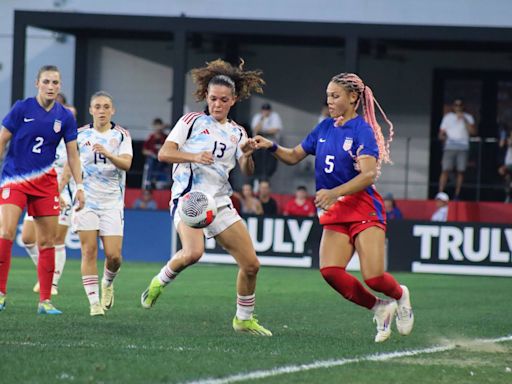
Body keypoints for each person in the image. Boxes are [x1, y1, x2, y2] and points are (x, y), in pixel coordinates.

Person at [253, 72, 414, 342]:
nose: (329, 100)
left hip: (363, 208)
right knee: (330, 272)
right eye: (328, 95)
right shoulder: (324, 128)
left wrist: (334, 193)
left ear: (353, 98)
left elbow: (368, 175)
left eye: (335, 95)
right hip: (335, 211)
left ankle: (400, 295)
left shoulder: (363, 130)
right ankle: (380, 308)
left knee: (373, 277)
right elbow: (293, 156)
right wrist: (270, 146)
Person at [140, 58, 272, 336]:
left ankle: (243, 319)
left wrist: (247, 154)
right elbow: (165, 153)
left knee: (251, 265)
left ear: (233, 100)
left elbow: (246, 172)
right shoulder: (191, 122)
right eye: (213, 99)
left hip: (220, 202)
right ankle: (158, 282)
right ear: (206, 97)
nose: (217, 104)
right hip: (190, 199)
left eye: (224, 100)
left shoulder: (238, 132)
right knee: (193, 253)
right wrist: (193, 155)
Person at [0, 65, 85, 314]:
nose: (51, 86)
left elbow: (73, 154)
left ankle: (45, 301)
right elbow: (2, 139)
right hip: (14, 179)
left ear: (60, 86)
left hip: (46, 183)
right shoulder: (21, 108)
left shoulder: (65, 116)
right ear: (37, 83)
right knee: (6, 232)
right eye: (46, 81)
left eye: (55, 82)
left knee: (47, 242)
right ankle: (1, 293)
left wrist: (79, 186)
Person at [74, 91, 133, 316]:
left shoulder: (121, 135)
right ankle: (94, 304)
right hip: (86, 200)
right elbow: (71, 164)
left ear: (112, 110)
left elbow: (126, 164)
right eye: (97, 106)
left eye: (106, 106)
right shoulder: (79, 135)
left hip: (112, 202)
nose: (101, 110)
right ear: (91, 110)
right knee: (88, 251)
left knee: (114, 255)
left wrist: (108, 153)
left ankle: (107, 283)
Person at [21, 138, 77, 295]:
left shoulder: (71, 141)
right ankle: (46, 272)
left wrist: (57, 192)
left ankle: (52, 283)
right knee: (27, 238)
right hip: (39, 191)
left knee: (56, 239)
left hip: (63, 192)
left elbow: (69, 170)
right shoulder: (41, 138)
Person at [438, 98, 477, 200]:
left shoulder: (468, 117)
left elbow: (473, 132)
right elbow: (441, 132)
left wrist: (464, 120)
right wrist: (442, 137)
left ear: (463, 106)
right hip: (450, 145)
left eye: (460, 105)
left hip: (463, 146)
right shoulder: (448, 117)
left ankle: (457, 194)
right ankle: (440, 192)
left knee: (461, 170)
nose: (458, 107)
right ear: (453, 106)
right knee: (445, 169)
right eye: (456, 105)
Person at [250, 103, 283, 183]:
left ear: (270, 110)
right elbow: (255, 130)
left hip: (271, 146)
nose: (266, 112)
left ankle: (266, 183)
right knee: (258, 167)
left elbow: (276, 130)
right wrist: (262, 119)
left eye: (267, 110)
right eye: (264, 110)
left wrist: (264, 132)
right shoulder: (258, 117)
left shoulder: (275, 116)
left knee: (270, 168)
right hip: (259, 147)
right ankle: (257, 183)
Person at [142, 118, 169, 190]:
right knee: (150, 160)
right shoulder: (151, 137)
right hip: (153, 160)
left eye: (159, 126)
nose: (157, 128)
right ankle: (149, 180)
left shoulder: (166, 137)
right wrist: (151, 153)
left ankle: (161, 182)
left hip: (163, 161)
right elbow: (144, 150)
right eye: (156, 126)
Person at [498, 127, 512, 202]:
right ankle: (508, 195)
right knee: (507, 177)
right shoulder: (507, 138)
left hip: (509, 166)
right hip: (508, 163)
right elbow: (501, 144)